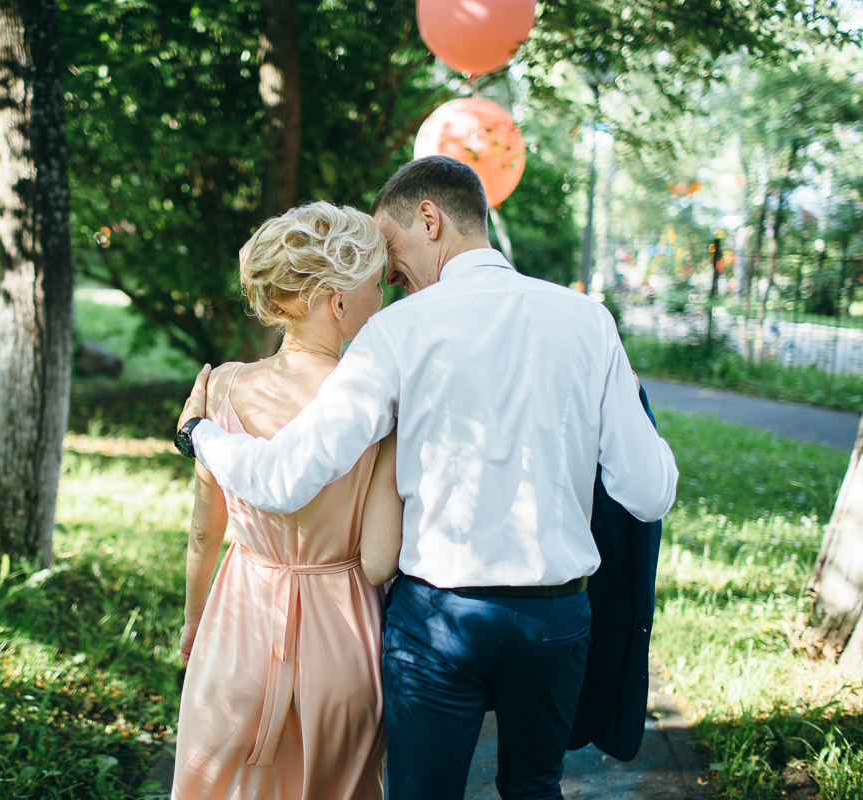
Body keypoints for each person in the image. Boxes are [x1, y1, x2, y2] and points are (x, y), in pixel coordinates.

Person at [173, 156, 679, 800]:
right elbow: (649, 494)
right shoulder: (588, 321)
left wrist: (201, 436)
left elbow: (284, 479)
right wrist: (631, 406)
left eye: (391, 251)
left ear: (430, 220)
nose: (388, 275)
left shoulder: (397, 331)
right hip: (553, 621)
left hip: (441, 622)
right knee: (535, 789)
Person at [171, 201, 404, 800]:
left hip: (239, 623)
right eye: (375, 285)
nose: (383, 296)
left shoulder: (221, 385)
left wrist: (195, 621)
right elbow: (380, 554)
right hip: (346, 636)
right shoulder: (380, 403)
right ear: (338, 303)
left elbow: (204, 531)